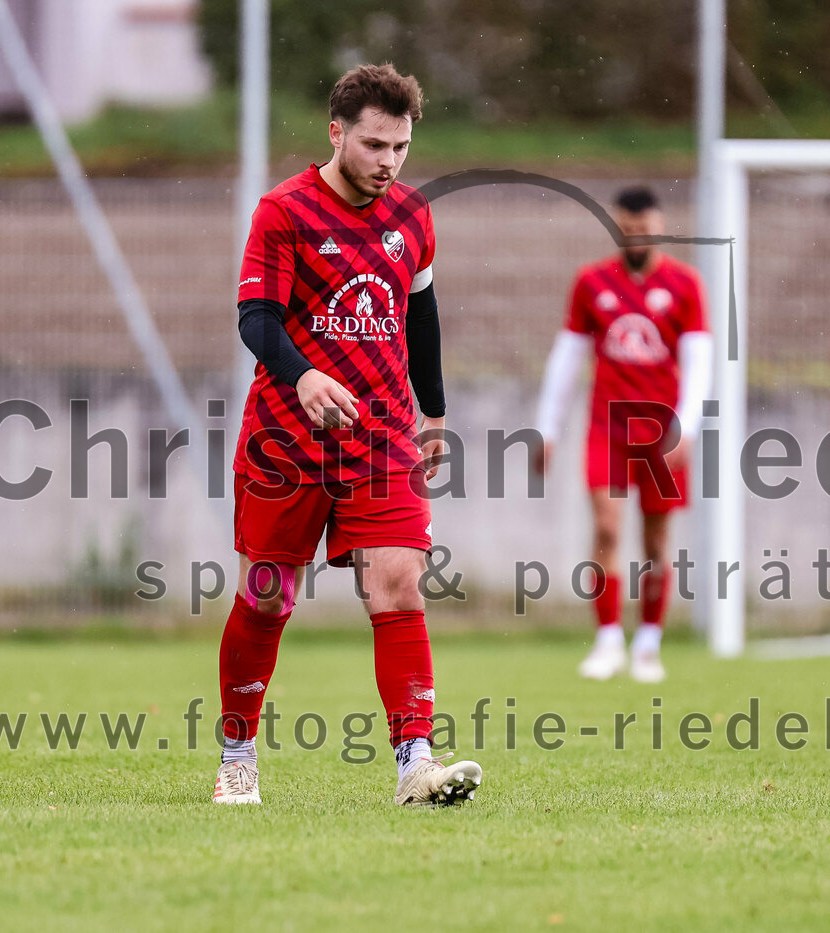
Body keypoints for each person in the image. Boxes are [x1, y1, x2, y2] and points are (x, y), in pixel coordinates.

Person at [213, 63, 481, 806]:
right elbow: (257, 319)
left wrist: (434, 412)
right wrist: (303, 376)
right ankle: (237, 756)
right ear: (336, 133)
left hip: (381, 437)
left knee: (399, 584)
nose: (389, 161)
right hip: (285, 441)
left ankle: (415, 766)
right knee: (267, 597)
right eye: (374, 145)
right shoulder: (283, 212)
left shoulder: (413, 215)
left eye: (401, 147)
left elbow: (421, 315)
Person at [534, 187, 712, 683]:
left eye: (644, 229)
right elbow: (568, 356)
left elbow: (699, 361)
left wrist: (687, 426)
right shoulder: (591, 282)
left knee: (656, 541)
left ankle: (648, 644)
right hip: (607, 429)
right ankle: (609, 639)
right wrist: (547, 426)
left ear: (660, 227)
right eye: (627, 229)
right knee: (608, 529)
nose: (636, 237)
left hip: (661, 434)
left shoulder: (685, 284)